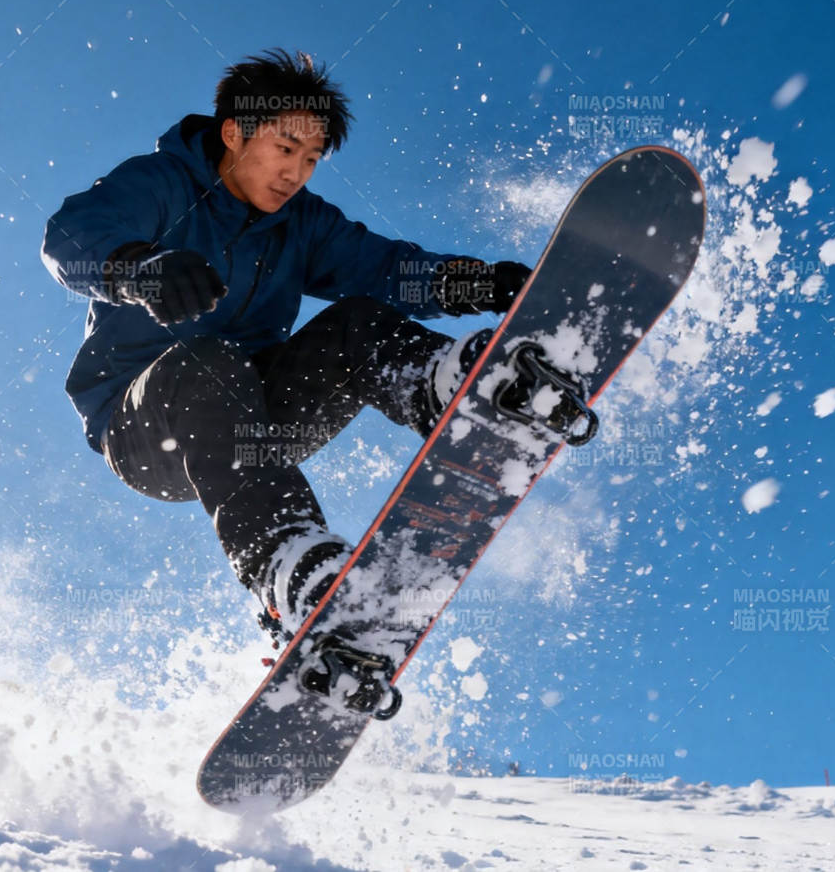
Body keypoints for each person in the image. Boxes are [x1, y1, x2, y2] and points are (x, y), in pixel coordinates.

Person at [41, 49, 529, 642]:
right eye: (284, 147)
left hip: (261, 417)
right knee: (208, 362)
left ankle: (447, 388)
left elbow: (383, 268)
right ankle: (288, 567)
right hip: (146, 427)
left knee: (357, 320)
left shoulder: (304, 223)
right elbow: (71, 235)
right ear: (233, 132)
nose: (295, 172)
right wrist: (139, 271)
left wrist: (475, 283)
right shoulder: (160, 184)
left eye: (311, 159)